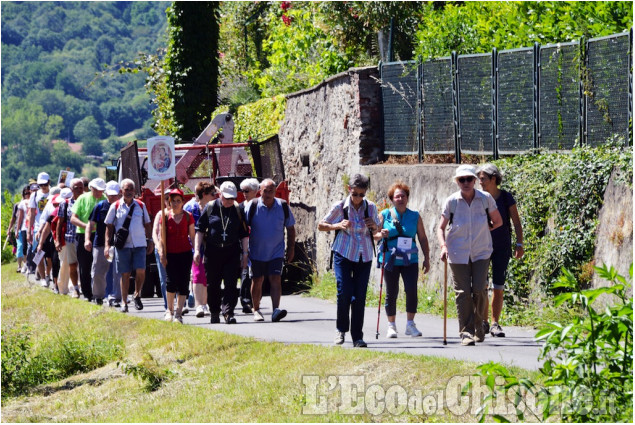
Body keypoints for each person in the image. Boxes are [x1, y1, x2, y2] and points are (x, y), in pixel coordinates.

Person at [437, 165, 503, 346]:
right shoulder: (452, 201)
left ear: (475, 180)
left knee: (480, 290)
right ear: (457, 182)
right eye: (461, 180)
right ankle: (466, 333)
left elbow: (498, 221)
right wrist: (443, 246)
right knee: (463, 293)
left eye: (469, 179)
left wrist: (484, 229)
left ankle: (479, 326)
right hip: (457, 253)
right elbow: (440, 228)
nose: (465, 183)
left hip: (481, 251)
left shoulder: (485, 199)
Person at [318, 174, 381, 347]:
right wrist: (337, 226)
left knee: (359, 296)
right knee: (344, 292)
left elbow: (376, 232)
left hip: (364, 254)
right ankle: (341, 329)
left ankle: (358, 337)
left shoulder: (371, 208)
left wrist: (375, 227)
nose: (358, 198)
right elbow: (321, 225)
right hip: (343, 253)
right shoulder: (340, 207)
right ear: (349, 190)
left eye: (362, 194)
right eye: (355, 194)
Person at [377, 181, 431, 338]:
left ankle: (410, 325)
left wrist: (427, 258)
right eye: (397, 196)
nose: (400, 199)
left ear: (407, 198)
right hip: (390, 259)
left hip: (410, 259)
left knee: (411, 290)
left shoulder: (415, 216)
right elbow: (374, 235)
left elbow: (422, 238)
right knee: (391, 292)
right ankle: (391, 326)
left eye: (403, 196)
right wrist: (381, 234)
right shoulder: (385, 215)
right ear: (392, 199)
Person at [477, 164, 524, 338]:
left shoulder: (505, 197)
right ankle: (483, 322)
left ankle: (495, 323)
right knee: (481, 286)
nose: (479, 182)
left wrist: (519, 244)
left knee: (498, 286)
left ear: (493, 179)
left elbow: (516, 223)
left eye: (483, 178)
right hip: (481, 246)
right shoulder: (477, 198)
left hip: (502, 246)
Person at [194, 181, 249, 324]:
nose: (230, 201)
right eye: (227, 198)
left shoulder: (237, 209)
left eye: (232, 198)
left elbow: (244, 233)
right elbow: (199, 230)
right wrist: (197, 251)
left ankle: (228, 312)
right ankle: (214, 311)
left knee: (231, 283)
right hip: (213, 251)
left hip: (231, 251)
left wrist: (244, 254)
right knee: (213, 283)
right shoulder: (210, 207)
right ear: (220, 195)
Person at [245, 179, 295, 322]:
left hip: (276, 251)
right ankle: (256, 310)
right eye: (265, 191)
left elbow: (290, 228)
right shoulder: (253, 205)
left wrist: (291, 248)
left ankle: (275, 310)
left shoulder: (282, 206)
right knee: (257, 280)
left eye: (270, 191)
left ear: (274, 191)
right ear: (260, 191)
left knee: (275, 279)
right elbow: (243, 227)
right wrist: (243, 251)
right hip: (256, 251)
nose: (267, 194)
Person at [104, 179, 153, 313]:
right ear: (121, 191)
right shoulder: (115, 206)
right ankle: (124, 302)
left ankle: (137, 294)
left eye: (131, 189)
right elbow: (109, 226)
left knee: (141, 270)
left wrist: (150, 240)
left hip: (140, 244)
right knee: (125, 273)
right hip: (123, 245)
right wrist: (107, 245)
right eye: (127, 189)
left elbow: (148, 224)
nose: (129, 192)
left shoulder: (141, 205)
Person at [157, 189, 196, 323]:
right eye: (173, 201)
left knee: (183, 283)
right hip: (171, 254)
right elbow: (162, 238)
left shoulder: (188, 216)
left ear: (183, 202)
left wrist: (196, 251)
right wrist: (162, 253)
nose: (175, 203)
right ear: (169, 202)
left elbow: (192, 236)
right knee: (170, 282)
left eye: (178, 201)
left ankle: (179, 313)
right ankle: (169, 310)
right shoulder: (165, 216)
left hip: (185, 254)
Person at [184, 181, 218, 318]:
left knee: (207, 276)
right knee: (198, 274)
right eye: (212, 194)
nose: (215, 196)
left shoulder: (213, 206)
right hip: (194, 246)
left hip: (210, 245)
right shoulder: (191, 207)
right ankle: (199, 305)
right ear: (204, 194)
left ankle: (205, 303)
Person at [86, 181, 122, 306]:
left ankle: (115, 297)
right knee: (97, 271)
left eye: (114, 195)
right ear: (106, 193)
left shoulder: (122, 207)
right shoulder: (100, 206)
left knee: (117, 272)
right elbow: (90, 224)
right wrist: (87, 239)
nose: (111, 197)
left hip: (118, 244)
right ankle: (98, 296)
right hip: (100, 243)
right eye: (109, 195)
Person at [72, 178, 106, 302]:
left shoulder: (105, 200)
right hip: (82, 235)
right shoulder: (83, 198)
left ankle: (100, 292)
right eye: (96, 190)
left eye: (101, 190)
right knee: (84, 266)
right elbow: (73, 218)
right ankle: (87, 294)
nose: (98, 193)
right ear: (91, 188)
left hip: (100, 235)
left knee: (98, 265)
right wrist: (86, 226)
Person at [56, 179, 84, 296]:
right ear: (71, 189)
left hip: (84, 237)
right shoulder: (65, 203)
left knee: (84, 264)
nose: (79, 190)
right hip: (70, 238)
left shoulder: (86, 201)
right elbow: (60, 222)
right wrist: (57, 239)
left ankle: (84, 286)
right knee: (72, 264)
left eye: (81, 187)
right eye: (76, 188)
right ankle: (76, 288)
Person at [237, 178, 260, 313]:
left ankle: (255, 300)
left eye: (247, 191)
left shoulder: (260, 205)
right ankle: (246, 301)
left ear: (255, 191)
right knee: (245, 272)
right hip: (244, 242)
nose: (244, 193)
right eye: (242, 191)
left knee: (257, 274)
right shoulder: (239, 207)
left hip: (258, 242)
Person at [27, 172, 51, 282]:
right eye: (41, 185)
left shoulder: (53, 193)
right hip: (38, 227)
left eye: (45, 184)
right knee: (39, 253)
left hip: (51, 226)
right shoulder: (34, 195)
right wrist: (29, 231)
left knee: (50, 255)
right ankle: (42, 278)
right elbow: (31, 214)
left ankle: (48, 273)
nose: (43, 187)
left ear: (49, 182)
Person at [14, 185, 31, 273]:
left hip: (33, 226)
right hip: (24, 227)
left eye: (29, 192)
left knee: (33, 247)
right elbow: (19, 218)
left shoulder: (35, 200)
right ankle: (26, 264)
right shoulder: (22, 203)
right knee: (24, 247)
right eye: (26, 193)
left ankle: (32, 264)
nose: (28, 194)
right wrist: (17, 230)